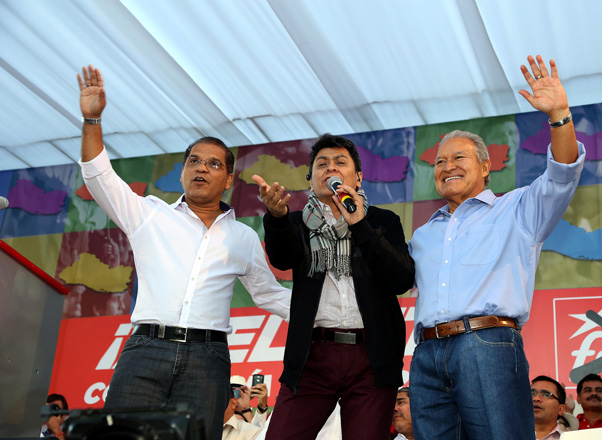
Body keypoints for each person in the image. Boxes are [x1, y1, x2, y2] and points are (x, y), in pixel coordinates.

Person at [76, 65, 290, 440]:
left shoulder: (242, 237)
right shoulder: (149, 214)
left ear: (228, 179)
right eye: (194, 161)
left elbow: (270, 295)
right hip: (146, 349)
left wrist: (334, 317)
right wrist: (92, 119)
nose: (201, 168)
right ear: (182, 173)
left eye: (213, 164)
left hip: (207, 360)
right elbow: (97, 176)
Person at [408, 55, 586, 440]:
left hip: (486, 345)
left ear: (486, 167)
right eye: (439, 162)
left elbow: (562, 174)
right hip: (426, 355)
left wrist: (559, 115)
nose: (447, 166)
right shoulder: (423, 234)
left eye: (459, 157)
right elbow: (392, 278)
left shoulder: (518, 209)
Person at [252, 133, 415, 440]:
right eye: (322, 164)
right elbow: (282, 258)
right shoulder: (297, 223)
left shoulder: (383, 221)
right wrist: (276, 218)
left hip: (372, 358)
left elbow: (401, 279)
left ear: (358, 177)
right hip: (312, 357)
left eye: (340, 162)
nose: (331, 168)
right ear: (311, 180)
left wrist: (360, 225)